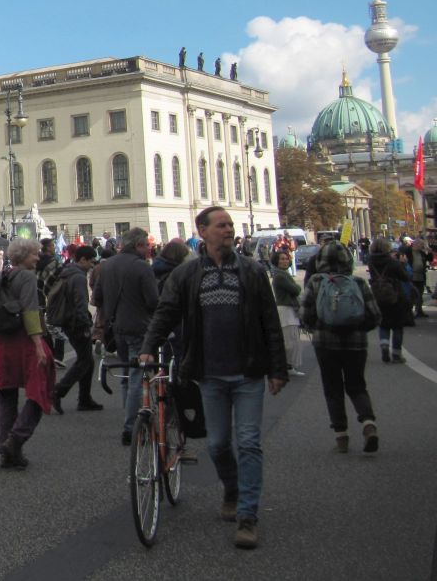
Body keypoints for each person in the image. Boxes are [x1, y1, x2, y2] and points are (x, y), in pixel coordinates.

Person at [140, 206, 287, 551]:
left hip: (248, 371)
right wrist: (149, 348)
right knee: (218, 444)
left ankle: (248, 516)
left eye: (230, 225)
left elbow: (270, 322)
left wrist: (277, 368)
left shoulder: (251, 272)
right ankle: (232, 488)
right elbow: (166, 313)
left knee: (249, 442)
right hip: (209, 373)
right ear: (202, 231)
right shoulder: (188, 275)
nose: (228, 230)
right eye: (221, 225)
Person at [0, 238, 54, 469]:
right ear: (24, 256)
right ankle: (16, 439)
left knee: (7, 395)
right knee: (39, 391)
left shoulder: (1, 275)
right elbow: (30, 311)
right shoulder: (27, 277)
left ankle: (6, 448)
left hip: (0, 342)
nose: (38, 257)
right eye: (34, 254)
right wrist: (38, 344)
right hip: (22, 340)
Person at [300, 240, 381, 455]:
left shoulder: (316, 282)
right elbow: (374, 316)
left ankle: (341, 437)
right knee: (357, 385)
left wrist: (318, 326)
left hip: (326, 343)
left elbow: (305, 314)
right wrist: (358, 328)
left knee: (332, 388)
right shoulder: (358, 282)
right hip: (356, 343)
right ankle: (368, 423)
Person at [91, 227, 159, 445]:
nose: (149, 249)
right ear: (138, 245)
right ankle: (132, 426)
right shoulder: (142, 267)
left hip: (116, 327)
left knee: (126, 378)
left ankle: (129, 421)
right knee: (138, 378)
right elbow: (152, 301)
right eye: (147, 245)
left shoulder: (106, 265)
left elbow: (97, 298)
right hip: (139, 326)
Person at [50, 244, 103, 413]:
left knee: (87, 360)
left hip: (68, 320)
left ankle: (84, 398)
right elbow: (80, 303)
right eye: (91, 262)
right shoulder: (78, 277)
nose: (92, 265)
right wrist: (85, 324)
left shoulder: (67, 272)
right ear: (82, 260)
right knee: (85, 360)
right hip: (76, 322)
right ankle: (59, 390)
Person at [367, 236, 412, 363]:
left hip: (378, 295)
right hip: (394, 295)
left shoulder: (371, 261)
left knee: (384, 324)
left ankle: (384, 347)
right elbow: (405, 277)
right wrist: (403, 264)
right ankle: (396, 354)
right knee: (397, 326)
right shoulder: (392, 262)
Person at [269, 248, 304, 376]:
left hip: (288, 309)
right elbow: (296, 289)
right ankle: (286, 366)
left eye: (286, 258)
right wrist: (297, 287)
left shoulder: (284, 274)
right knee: (289, 340)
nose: (285, 261)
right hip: (285, 310)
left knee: (292, 339)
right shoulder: (280, 276)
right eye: (282, 259)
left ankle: (288, 366)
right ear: (276, 261)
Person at [407, 235, 430, 318]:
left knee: (420, 294)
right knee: (412, 295)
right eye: (421, 245)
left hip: (420, 276)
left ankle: (419, 310)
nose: (422, 246)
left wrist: (429, 251)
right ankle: (409, 312)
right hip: (411, 277)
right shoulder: (408, 251)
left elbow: (429, 259)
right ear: (416, 244)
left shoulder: (421, 252)